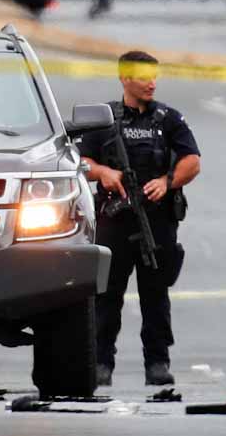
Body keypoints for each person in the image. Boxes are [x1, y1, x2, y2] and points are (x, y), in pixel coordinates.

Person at [78, 50, 201, 386]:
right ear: (124, 78)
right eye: (144, 77)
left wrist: (167, 181)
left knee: (155, 295)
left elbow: (192, 160)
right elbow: (78, 160)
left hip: (157, 221)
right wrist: (104, 172)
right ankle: (100, 363)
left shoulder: (167, 119)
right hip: (114, 221)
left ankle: (157, 363)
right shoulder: (103, 119)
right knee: (105, 297)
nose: (152, 83)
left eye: (154, 77)